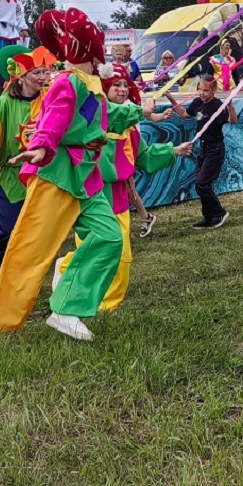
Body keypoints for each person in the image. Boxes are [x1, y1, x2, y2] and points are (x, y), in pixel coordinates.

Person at [0, 8, 144, 342]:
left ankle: (67, 308)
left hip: (86, 179)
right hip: (57, 175)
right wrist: (42, 146)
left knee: (110, 238)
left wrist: (139, 110)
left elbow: (102, 115)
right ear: (90, 49)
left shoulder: (90, 83)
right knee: (30, 251)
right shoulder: (68, 82)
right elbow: (56, 116)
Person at [53, 63, 190, 311]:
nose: (122, 89)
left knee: (122, 256)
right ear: (105, 88)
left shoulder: (129, 128)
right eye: (116, 85)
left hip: (117, 198)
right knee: (93, 250)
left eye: (126, 85)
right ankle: (67, 271)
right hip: (92, 195)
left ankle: (107, 305)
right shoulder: (93, 122)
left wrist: (173, 150)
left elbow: (144, 156)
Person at [0, 45, 51, 292]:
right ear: (21, 75)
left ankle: (23, 274)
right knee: (8, 228)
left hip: (42, 175)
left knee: (36, 229)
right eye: (37, 73)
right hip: (12, 178)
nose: (43, 78)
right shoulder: (3, 104)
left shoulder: (49, 100)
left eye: (45, 72)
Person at [187, 76, 239, 228]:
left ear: (214, 90)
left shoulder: (217, 105)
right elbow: (185, 113)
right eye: (200, 89)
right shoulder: (197, 102)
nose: (202, 93)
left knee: (202, 183)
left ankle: (218, 213)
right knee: (202, 185)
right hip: (202, 147)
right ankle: (208, 217)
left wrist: (230, 106)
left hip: (214, 148)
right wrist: (171, 99)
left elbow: (233, 121)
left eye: (205, 90)